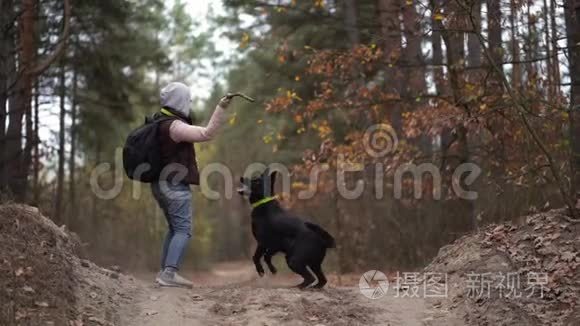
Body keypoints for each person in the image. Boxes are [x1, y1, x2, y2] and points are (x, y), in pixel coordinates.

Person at [152, 82, 231, 288]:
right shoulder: (175, 126)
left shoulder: (158, 122)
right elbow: (207, 134)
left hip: (158, 184)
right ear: (179, 100)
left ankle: (164, 272)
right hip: (174, 185)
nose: (190, 102)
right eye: (188, 99)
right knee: (184, 229)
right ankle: (169, 273)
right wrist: (221, 108)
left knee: (174, 227)